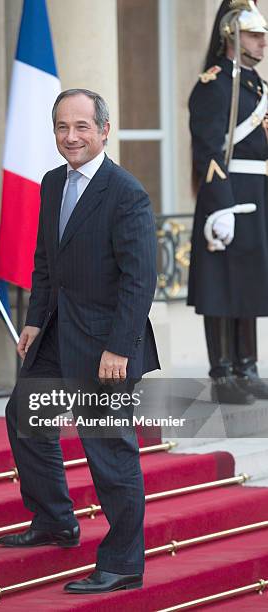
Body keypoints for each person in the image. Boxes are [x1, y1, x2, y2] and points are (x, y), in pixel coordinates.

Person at [0, 88, 159, 594]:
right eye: (62, 127)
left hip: (106, 346)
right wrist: (32, 321)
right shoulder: (51, 184)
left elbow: (140, 279)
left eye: (82, 127)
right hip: (55, 333)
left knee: (109, 451)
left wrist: (119, 348)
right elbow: (46, 263)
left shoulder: (125, 192)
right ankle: (55, 520)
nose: (71, 137)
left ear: (104, 130)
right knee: (24, 418)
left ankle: (124, 563)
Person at [188, 0, 268, 404]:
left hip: (257, 195)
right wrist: (220, 205)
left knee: (250, 280)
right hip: (229, 195)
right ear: (232, 35)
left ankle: (246, 367)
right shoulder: (214, 83)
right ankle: (221, 373)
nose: (263, 42)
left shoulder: (257, 85)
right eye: (256, 35)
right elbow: (207, 148)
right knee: (222, 284)